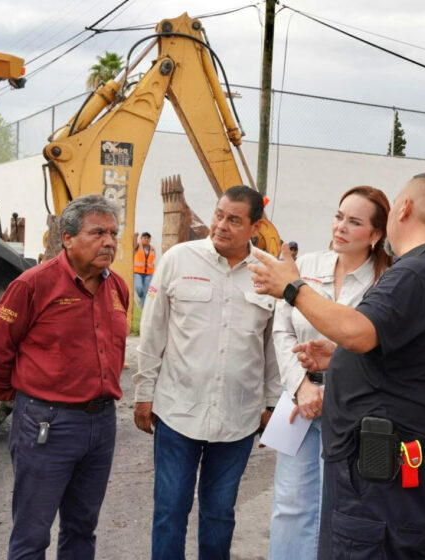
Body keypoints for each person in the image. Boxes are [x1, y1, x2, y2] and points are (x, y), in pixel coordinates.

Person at [250, 172, 425, 559]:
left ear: (404, 208)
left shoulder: (416, 271)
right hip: (386, 464)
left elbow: (360, 331)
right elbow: (403, 352)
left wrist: (293, 287)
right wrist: (341, 358)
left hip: (382, 471)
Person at [0, 194, 129, 560]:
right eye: (97, 233)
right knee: (32, 533)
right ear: (67, 238)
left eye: (113, 233)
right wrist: (16, 398)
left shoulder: (118, 287)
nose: (109, 242)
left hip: (102, 423)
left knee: (82, 529)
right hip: (48, 423)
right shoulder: (33, 285)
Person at [133, 185, 280, 560]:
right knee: (169, 512)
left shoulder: (269, 274)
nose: (220, 225)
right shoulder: (178, 260)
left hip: (239, 418)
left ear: (255, 227)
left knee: (219, 515)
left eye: (234, 220)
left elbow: (272, 348)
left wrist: (270, 403)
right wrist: (143, 394)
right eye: (218, 214)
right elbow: (152, 333)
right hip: (176, 411)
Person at [268, 186, 391, 560]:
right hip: (300, 405)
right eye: (339, 216)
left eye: (354, 222)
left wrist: (334, 381)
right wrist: (302, 387)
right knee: (290, 507)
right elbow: (281, 330)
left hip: (354, 409)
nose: (340, 227)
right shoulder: (305, 267)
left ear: (375, 235)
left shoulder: (386, 281)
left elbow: (377, 347)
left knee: (341, 509)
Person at [134, 232, 156, 308]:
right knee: (139, 289)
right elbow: (133, 245)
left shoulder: (153, 249)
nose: (146, 239)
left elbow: (152, 260)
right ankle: (138, 298)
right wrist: (135, 237)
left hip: (149, 273)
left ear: (150, 239)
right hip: (138, 273)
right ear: (141, 239)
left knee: (146, 291)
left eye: (148, 238)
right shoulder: (138, 246)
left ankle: (143, 309)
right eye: (144, 238)